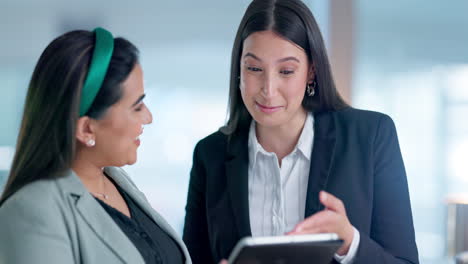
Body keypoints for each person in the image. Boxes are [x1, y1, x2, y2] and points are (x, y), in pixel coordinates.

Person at [182, 0, 419, 263]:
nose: (268, 90)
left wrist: (349, 242)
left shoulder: (371, 136)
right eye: (254, 68)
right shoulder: (210, 155)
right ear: (239, 69)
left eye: (286, 71)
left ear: (311, 72)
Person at [0, 28, 191, 264]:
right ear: (86, 129)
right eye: (137, 107)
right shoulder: (31, 210)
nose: (148, 117)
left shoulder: (118, 182)